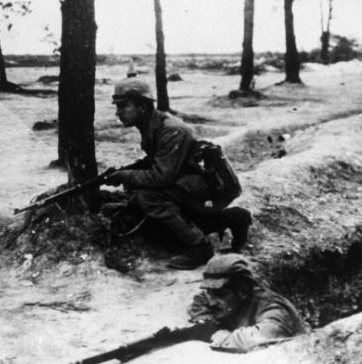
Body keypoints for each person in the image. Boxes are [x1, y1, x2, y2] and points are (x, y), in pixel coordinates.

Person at [104, 77, 252, 270]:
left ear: (142, 106)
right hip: (195, 185)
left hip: (213, 188)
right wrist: (125, 170)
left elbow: (160, 177)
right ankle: (233, 218)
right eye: (117, 107)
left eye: (123, 106)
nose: (119, 112)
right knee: (162, 226)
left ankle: (200, 247)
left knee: (148, 197)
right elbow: (155, 160)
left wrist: (125, 176)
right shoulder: (153, 125)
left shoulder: (170, 130)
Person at [187, 254, 306, 352]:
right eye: (210, 292)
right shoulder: (219, 297)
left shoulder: (273, 307)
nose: (212, 302)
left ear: (242, 291)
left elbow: (263, 336)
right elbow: (199, 302)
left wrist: (218, 335)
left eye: (220, 295)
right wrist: (208, 322)